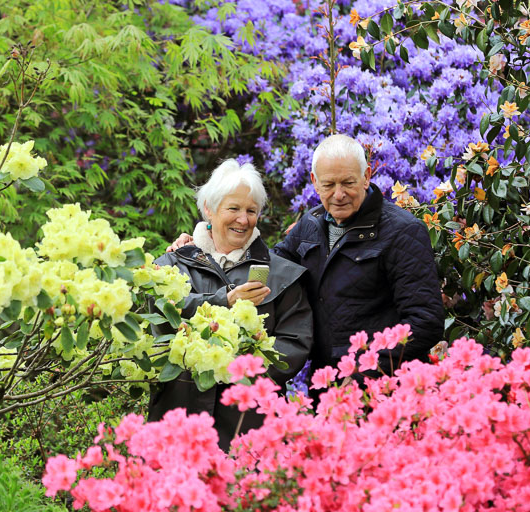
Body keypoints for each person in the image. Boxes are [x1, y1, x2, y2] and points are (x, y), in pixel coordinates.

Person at [170, 135, 443, 374]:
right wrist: (203, 242)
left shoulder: (402, 232)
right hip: (325, 384)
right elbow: (266, 264)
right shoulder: (311, 226)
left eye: (348, 182)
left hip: (382, 387)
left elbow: (424, 323)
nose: (339, 194)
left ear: (367, 176)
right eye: (328, 185)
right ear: (314, 182)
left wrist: (364, 371)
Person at [149, 159, 312, 449]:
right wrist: (224, 301)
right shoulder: (171, 267)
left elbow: (295, 343)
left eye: (251, 211)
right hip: (178, 423)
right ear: (209, 210)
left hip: (248, 427)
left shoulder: (282, 275)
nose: (243, 219)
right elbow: (159, 322)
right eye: (233, 209)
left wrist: (236, 367)